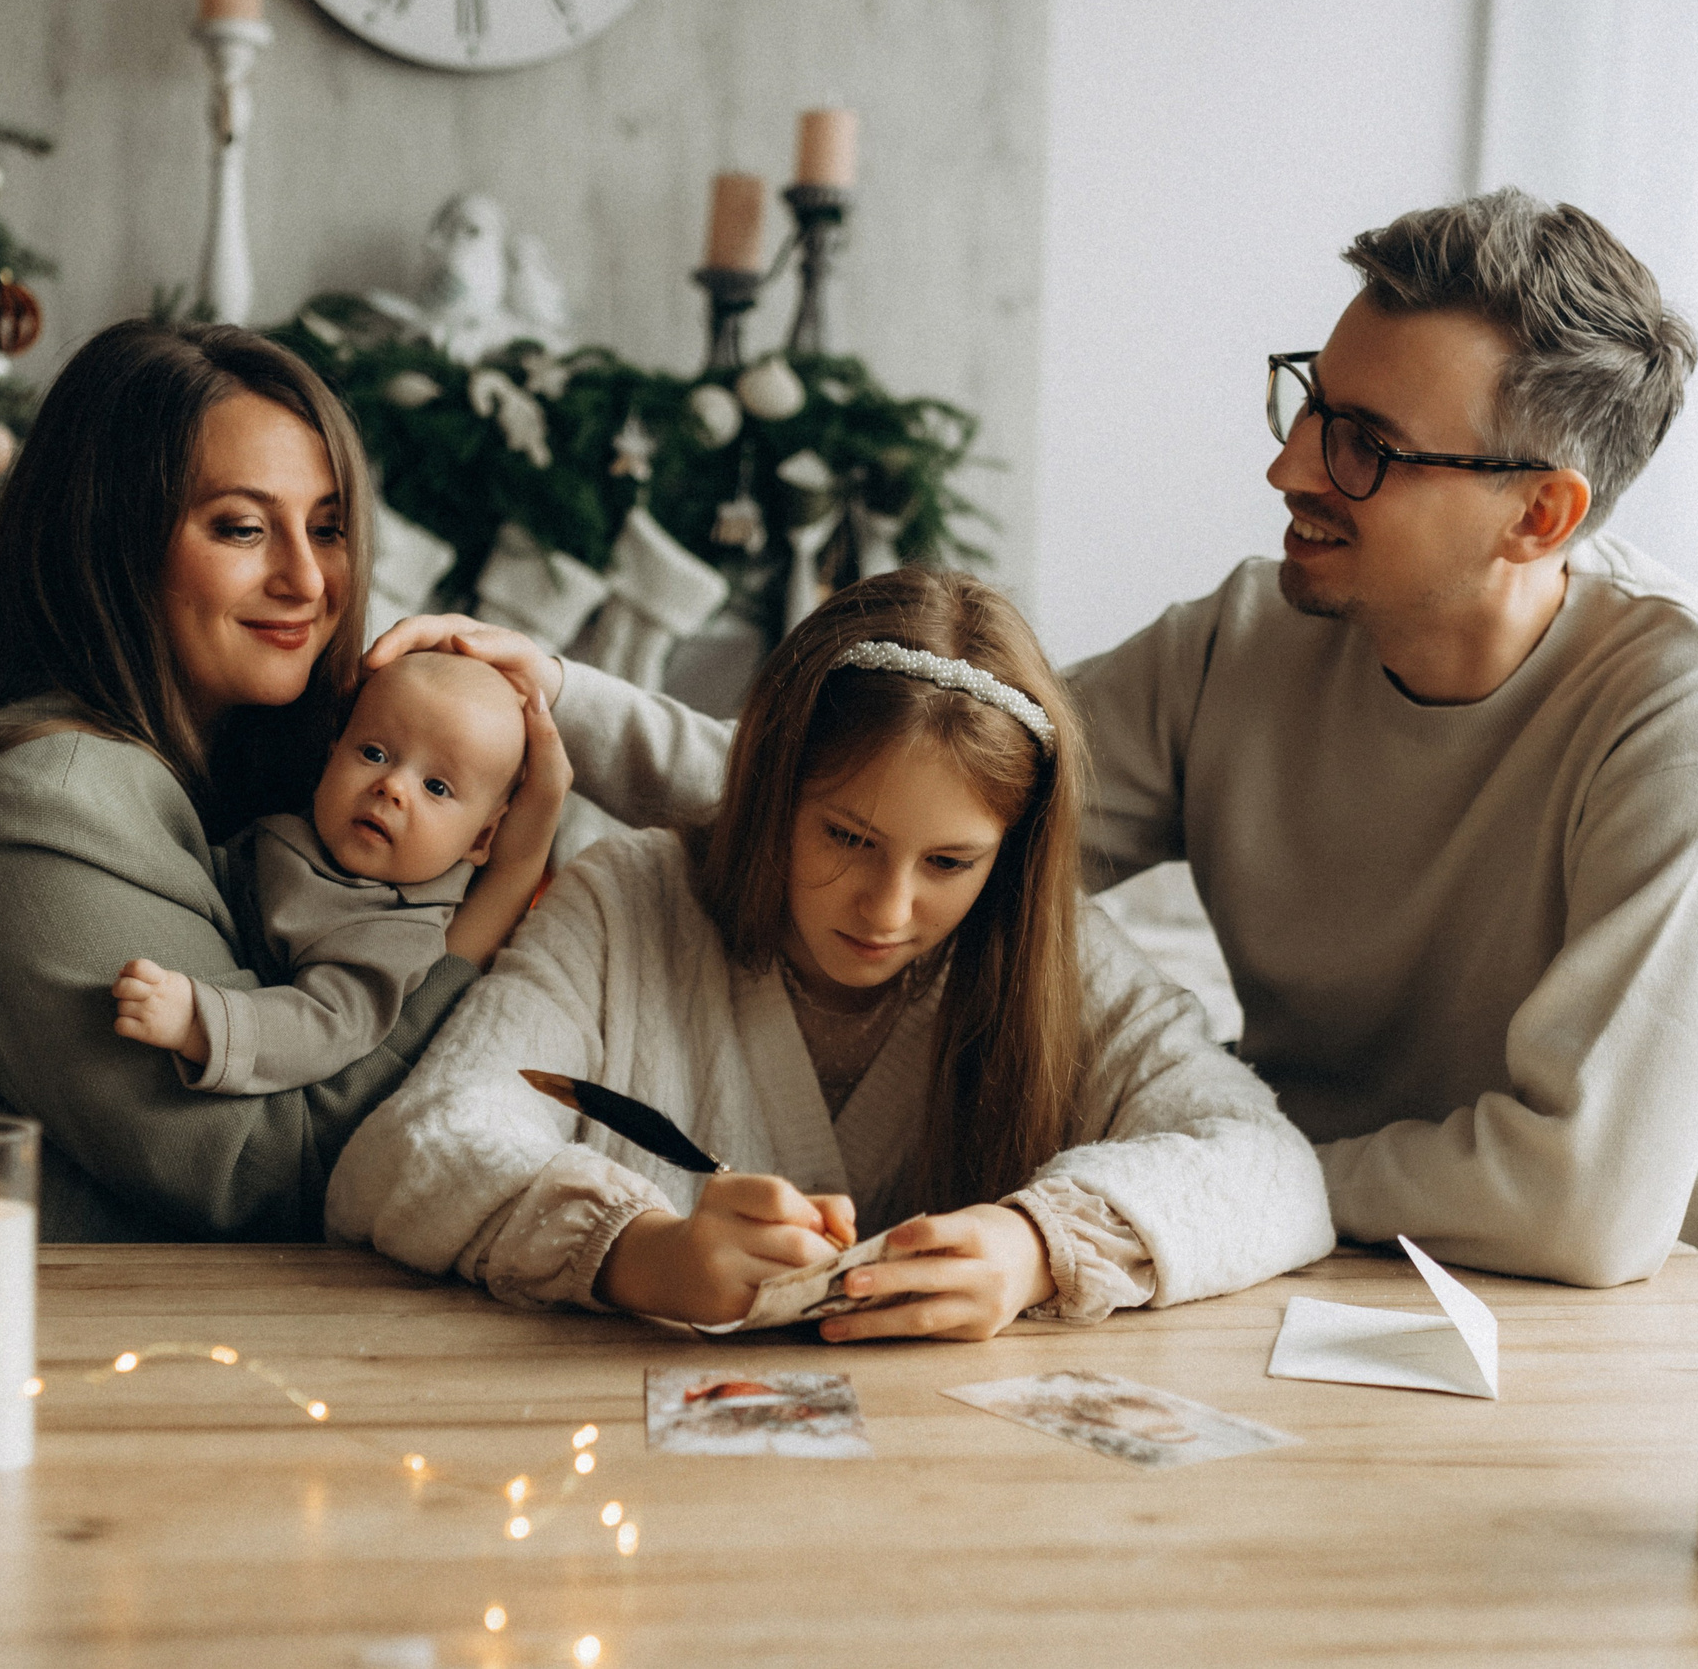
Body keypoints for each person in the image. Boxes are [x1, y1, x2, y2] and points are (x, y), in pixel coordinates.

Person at [417, 189, 1698, 1290]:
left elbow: (1586, 1208)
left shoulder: (1686, 700)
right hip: (1277, 1268)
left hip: (1616, 1319)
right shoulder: (1243, 639)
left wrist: (1221, 1179)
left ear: (1541, 515)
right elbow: (910, 782)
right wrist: (551, 691)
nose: (1291, 466)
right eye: (1312, 400)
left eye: (1366, 443)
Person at [327, 569, 1334, 1337]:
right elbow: (407, 1154)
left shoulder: (1053, 952)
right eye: (846, 837)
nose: (886, 908)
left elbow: (1272, 1168)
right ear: (770, 792)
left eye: (949, 860)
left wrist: (1037, 1244)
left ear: (1011, 854)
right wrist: (641, 1251)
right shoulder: (627, 898)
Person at [0, 321, 569, 1243]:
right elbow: (273, 1172)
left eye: (328, 528)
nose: (307, 578)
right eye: (244, 528)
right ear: (113, 542)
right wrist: (499, 896)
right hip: (11, 1362)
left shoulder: (255, 780)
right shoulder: (44, 817)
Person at [111, 650, 541, 1093]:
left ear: (479, 840)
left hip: (220, 1028)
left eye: (436, 787)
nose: (391, 786)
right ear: (332, 757)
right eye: (374, 753)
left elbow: (325, 1026)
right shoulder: (317, 825)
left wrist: (199, 1022)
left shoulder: (396, 932)